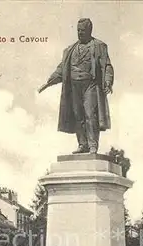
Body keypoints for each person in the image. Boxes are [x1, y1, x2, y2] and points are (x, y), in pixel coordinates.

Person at [38, 18, 114, 154]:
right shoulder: (69, 50)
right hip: (74, 87)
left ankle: (92, 145)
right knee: (78, 116)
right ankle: (82, 144)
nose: (80, 33)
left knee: (90, 115)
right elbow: (61, 69)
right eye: (78, 30)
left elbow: (107, 66)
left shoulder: (99, 46)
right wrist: (49, 82)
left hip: (90, 85)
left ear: (89, 31)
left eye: (83, 30)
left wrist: (108, 81)